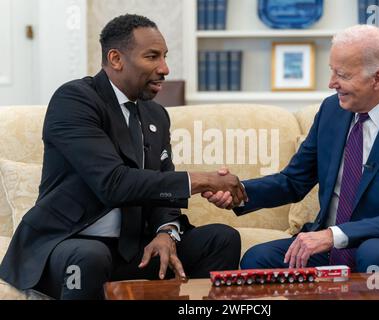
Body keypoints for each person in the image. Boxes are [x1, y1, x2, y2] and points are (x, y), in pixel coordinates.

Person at [0, 14, 247, 300]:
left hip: (131, 249)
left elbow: (160, 186)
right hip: (68, 242)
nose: (164, 68)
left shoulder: (156, 115)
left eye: (165, 57)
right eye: (152, 57)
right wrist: (202, 180)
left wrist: (166, 232)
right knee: (90, 255)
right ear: (116, 59)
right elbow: (113, 183)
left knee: (221, 239)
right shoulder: (75, 100)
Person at [204, 25, 379, 273]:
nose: (332, 83)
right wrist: (239, 191)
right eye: (332, 71)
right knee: (258, 259)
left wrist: (334, 235)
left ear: (378, 78)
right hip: (330, 245)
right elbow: (293, 181)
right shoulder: (332, 111)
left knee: (373, 253)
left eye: (343, 75)